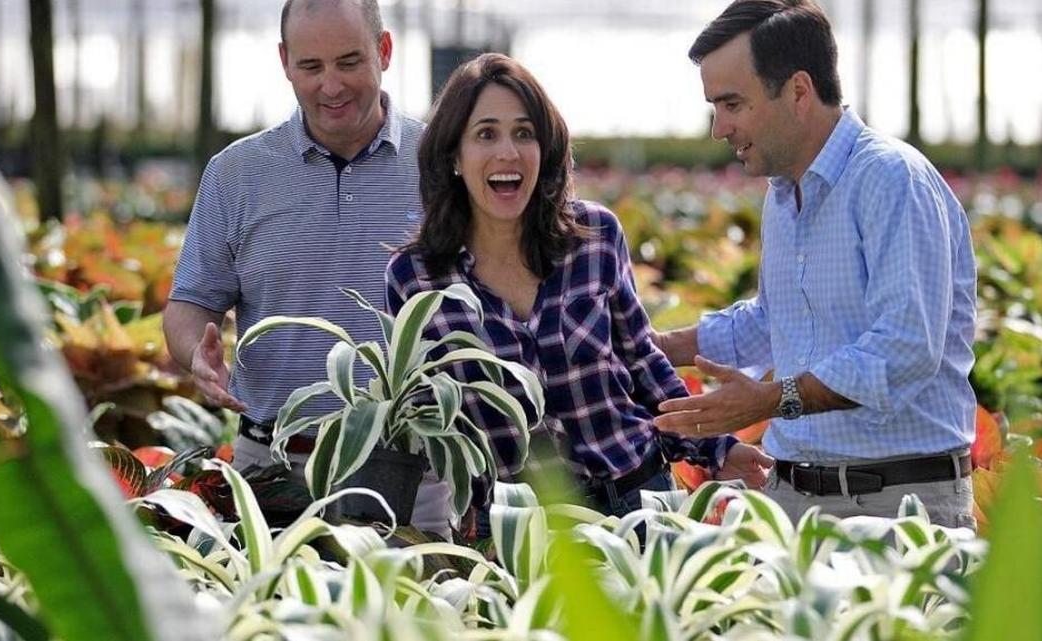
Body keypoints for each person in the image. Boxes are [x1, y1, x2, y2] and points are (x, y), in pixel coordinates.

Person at [385, 53, 774, 523]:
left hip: (636, 499)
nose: (508, 151)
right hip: (514, 527)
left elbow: (643, 360)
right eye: (486, 134)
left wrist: (717, 449)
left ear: (544, 148)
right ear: (453, 156)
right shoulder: (417, 277)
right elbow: (423, 418)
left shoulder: (594, 238)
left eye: (524, 133)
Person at [651, 0, 978, 529]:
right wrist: (658, 347)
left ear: (799, 91)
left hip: (896, 505)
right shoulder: (784, 195)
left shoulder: (892, 179)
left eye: (732, 104)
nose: (719, 128)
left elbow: (904, 350)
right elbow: (775, 319)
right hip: (793, 498)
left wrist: (769, 400)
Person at [163, 0, 451, 536]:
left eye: (348, 62)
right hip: (270, 468)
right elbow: (190, 302)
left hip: (411, 471)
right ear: (284, 61)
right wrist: (195, 355)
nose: (331, 86)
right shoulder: (236, 174)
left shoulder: (442, 165)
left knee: (414, 613)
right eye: (311, 67)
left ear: (383, 52)